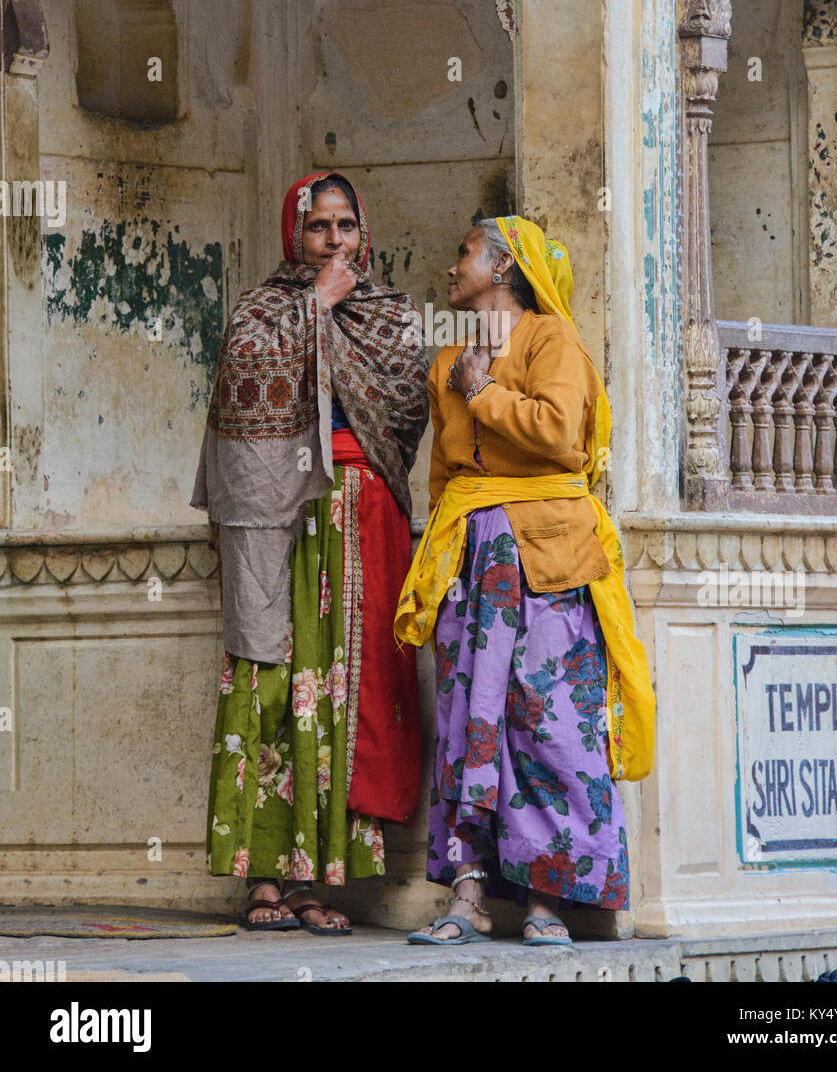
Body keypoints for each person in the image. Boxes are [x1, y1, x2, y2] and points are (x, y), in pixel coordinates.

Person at [396, 215, 655, 946]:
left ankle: (547, 904)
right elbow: (445, 474)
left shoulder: (552, 340)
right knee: (466, 729)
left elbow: (558, 433)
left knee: (549, 725)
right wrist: (441, 562)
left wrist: (484, 396)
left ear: (503, 265)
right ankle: (468, 898)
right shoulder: (450, 355)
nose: (452, 268)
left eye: (464, 252)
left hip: (547, 563)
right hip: (470, 566)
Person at [191, 171, 429, 931]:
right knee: (271, 680)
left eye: (346, 226)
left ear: (365, 231)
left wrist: (335, 309)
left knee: (342, 692)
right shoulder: (263, 309)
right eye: (320, 227)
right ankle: (265, 877)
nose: (335, 241)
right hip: (278, 518)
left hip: (363, 519)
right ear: (297, 234)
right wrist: (314, 305)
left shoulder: (391, 317)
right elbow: (240, 384)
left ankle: (320, 884)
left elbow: (402, 414)